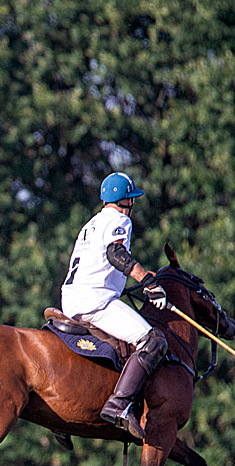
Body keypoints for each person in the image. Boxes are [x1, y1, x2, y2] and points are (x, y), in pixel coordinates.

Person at [60, 172, 169, 439]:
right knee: (153, 341)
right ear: (125, 200)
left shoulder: (91, 223)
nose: (132, 204)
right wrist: (148, 280)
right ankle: (119, 404)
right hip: (95, 301)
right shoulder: (119, 219)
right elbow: (115, 253)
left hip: (69, 299)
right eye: (131, 199)